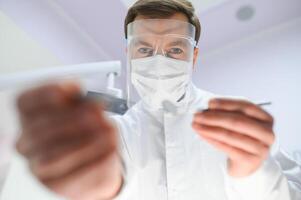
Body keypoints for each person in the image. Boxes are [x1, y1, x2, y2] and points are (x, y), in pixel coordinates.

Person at [15, 0, 301, 199]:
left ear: (194, 56)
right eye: (144, 49)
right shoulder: (114, 133)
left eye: (176, 50)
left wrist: (253, 173)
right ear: (129, 54)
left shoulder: (237, 120)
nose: (159, 61)